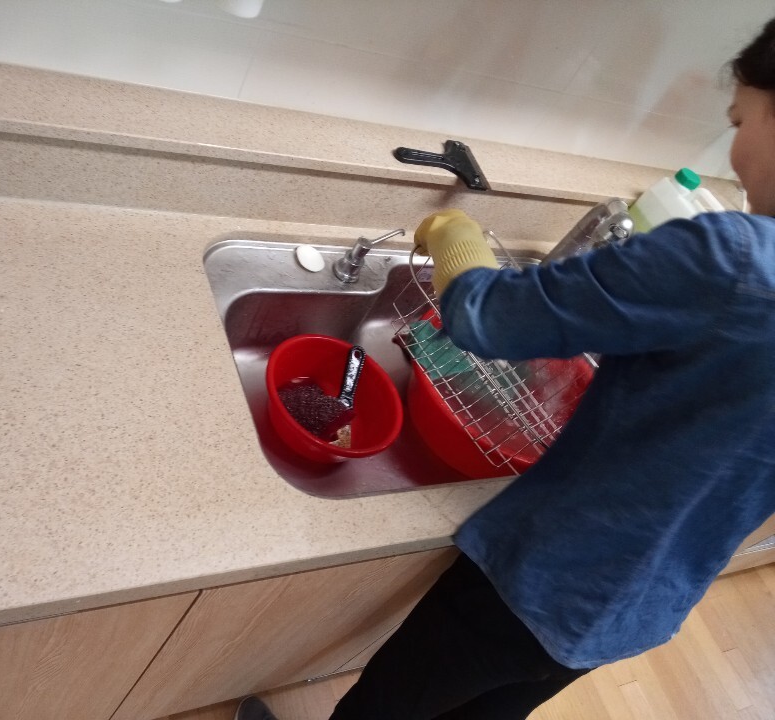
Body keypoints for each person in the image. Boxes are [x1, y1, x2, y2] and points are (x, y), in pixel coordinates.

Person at [236, 16, 775, 720]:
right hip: (645, 604)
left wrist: (455, 235)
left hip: (546, 576)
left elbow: (484, 318)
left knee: (385, 707)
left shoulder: (732, 260)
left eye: (740, 120)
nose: (734, 149)